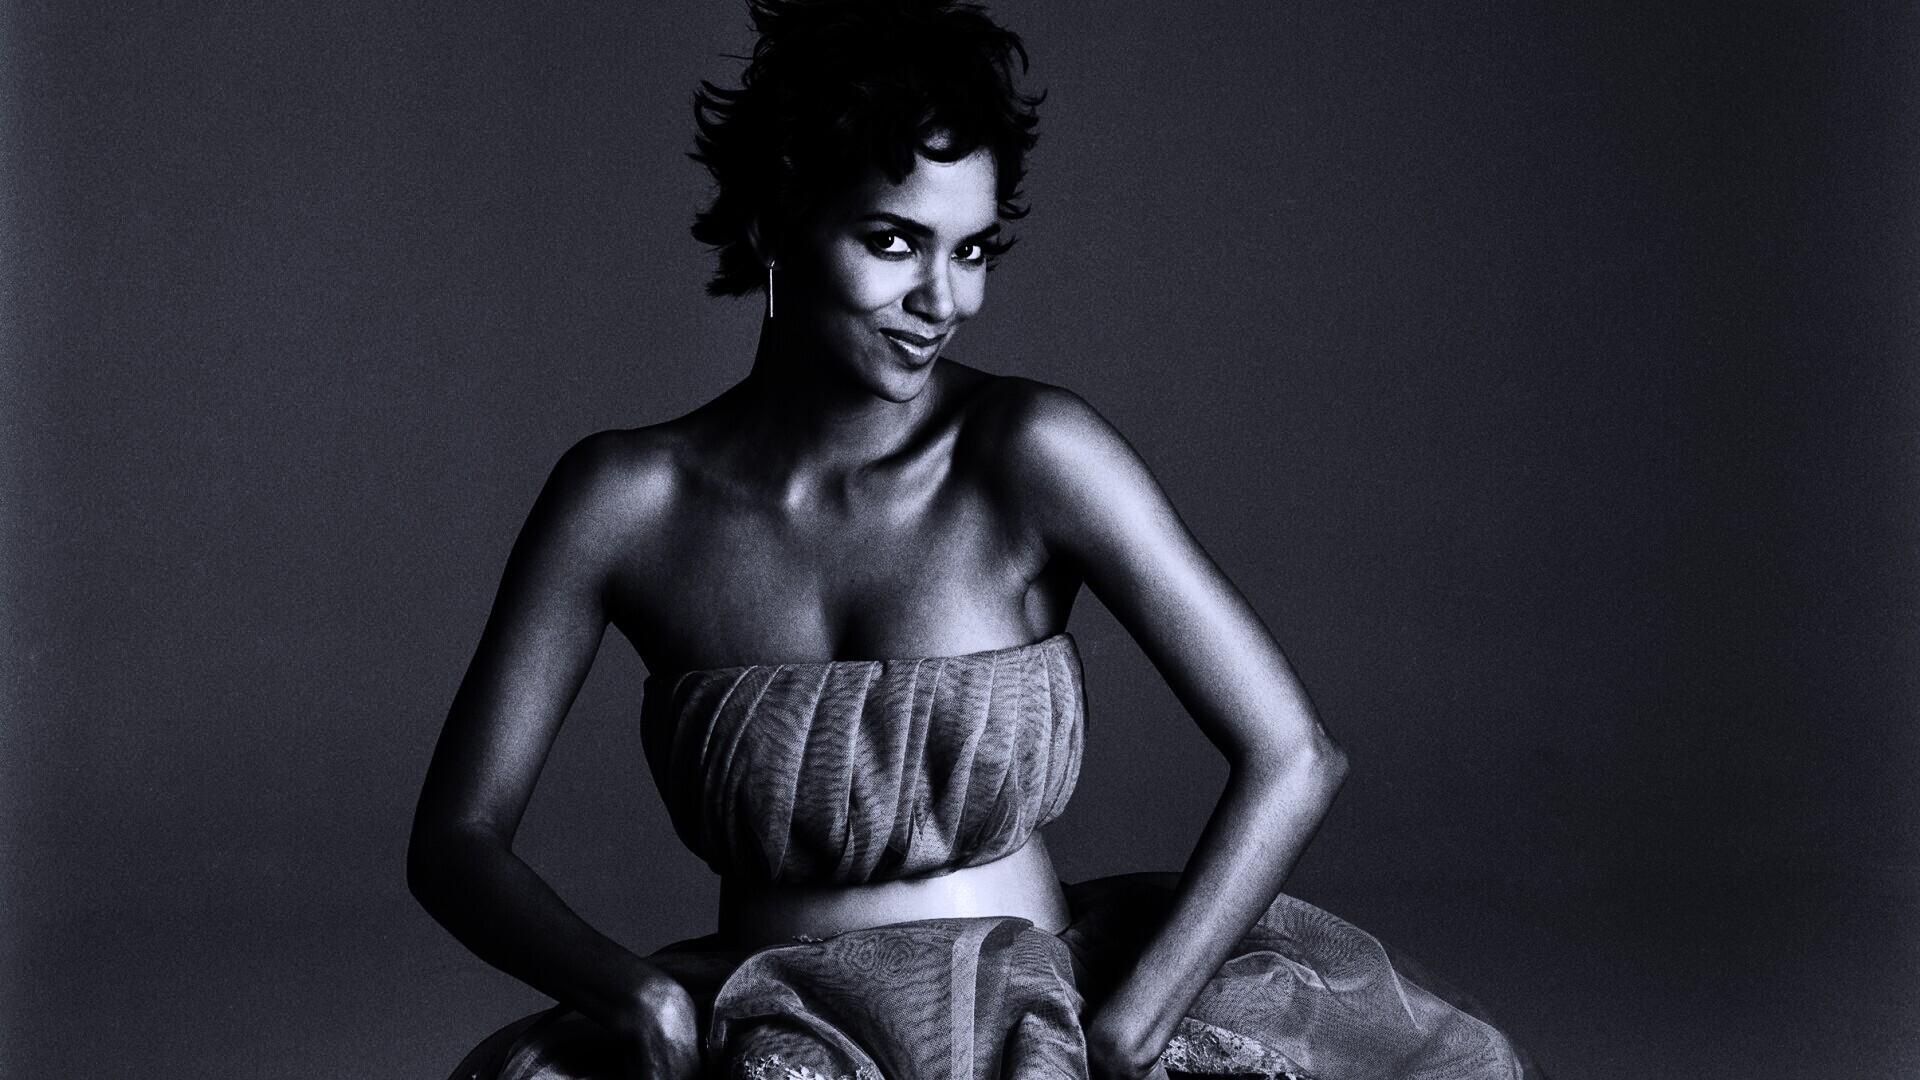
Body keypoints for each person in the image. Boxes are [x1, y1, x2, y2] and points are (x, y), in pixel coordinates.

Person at [409, 2, 1535, 1077]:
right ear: (773, 221)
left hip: (1044, 1033)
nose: (943, 300)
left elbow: (1294, 755)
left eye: (975, 249)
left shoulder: (1031, 452)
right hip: (769, 1040)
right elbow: (457, 837)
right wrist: (633, 994)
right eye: (894, 241)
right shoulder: (623, 499)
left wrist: (1133, 1026)